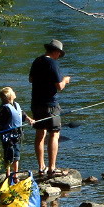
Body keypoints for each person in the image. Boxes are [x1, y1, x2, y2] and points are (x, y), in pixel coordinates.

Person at [29, 39, 71, 177]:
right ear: (56, 52)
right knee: (54, 133)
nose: (59, 56)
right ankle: (52, 168)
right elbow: (59, 87)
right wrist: (65, 80)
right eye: (59, 53)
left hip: (36, 103)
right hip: (50, 104)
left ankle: (41, 167)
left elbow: (31, 79)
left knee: (40, 134)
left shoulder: (37, 61)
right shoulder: (52, 63)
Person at [0, 86, 33, 184]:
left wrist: (29, 119)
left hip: (17, 135)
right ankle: (8, 176)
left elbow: (22, 114)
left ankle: (15, 175)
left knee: (17, 155)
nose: (14, 92)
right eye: (13, 92)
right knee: (9, 155)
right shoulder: (4, 108)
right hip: (7, 136)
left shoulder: (15, 105)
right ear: (9, 97)